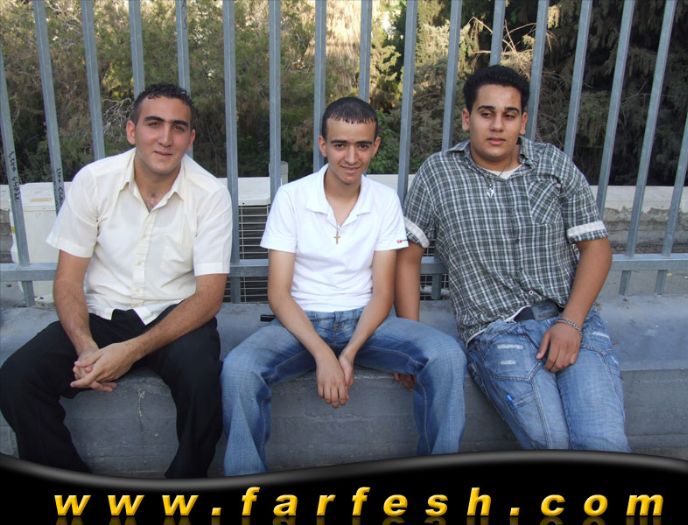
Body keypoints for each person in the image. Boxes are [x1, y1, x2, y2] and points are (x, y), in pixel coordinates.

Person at [221, 96, 466, 476]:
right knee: (238, 370)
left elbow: (383, 293)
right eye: (340, 145)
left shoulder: (384, 201)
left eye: (362, 145)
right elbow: (279, 294)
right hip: (299, 324)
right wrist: (323, 355)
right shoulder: (292, 198)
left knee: (447, 355)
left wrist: (348, 354)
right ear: (323, 145)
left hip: (366, 323)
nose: (351, 157)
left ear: (375, 146)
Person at [0, 83, 233, 477]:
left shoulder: (210, 195)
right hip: (102, 315)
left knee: (204, 385)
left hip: (174, 316)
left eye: (178, 128)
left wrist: (130, 352)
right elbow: (68, 280)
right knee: (16, 380)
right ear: (131, 131)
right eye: (154, 124)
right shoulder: (95, 181)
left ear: (190, 139)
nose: (165, 138)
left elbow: (209, 297)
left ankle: (182, 490)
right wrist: (86, 347)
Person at [396, 65, 630, 452]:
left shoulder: (552, 165)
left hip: (572, 320)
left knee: (603, 442)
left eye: (508, 115)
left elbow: (596, 247)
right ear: (467, 118)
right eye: (486, 113)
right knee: (551, 442)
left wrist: (571, 322)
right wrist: (412, 342)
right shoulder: (439, 174)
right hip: (497, 332)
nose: (497, 126)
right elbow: (407, 258)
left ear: (522, 122)